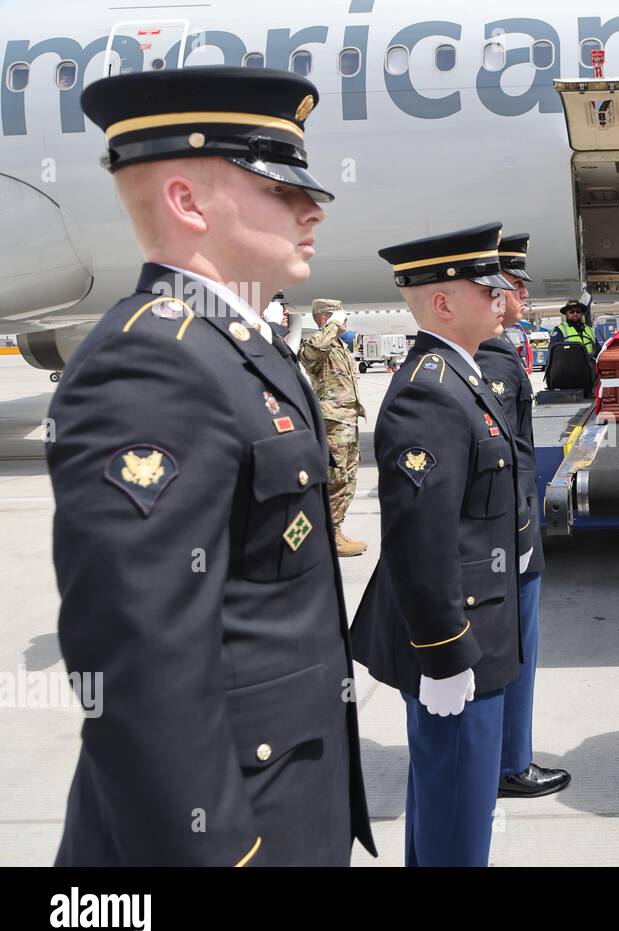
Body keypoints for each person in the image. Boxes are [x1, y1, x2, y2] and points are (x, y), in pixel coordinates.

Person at [48, 66, 375, 865]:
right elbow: (139, 664)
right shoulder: (155, 364)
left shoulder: (243, 346)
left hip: (286, 794)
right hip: (226, 830)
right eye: (278, 187)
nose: (312, 206)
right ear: (188, 203)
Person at [350, 223, 526, 866]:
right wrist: (445, 655)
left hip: (473, 631)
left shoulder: (462, 374)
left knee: (450, 809)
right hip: (456, 643)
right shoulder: (431, 389)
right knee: (456, 818)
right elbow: (418, 538)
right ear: (445, 304)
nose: (502, 296)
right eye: (487, 287)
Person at [477, 233, 571, 799]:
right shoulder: (494, 358)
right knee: (515, 648)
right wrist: (520, 541)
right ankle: (511, 761)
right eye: (515, 286)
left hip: (513, 533)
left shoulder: (499, 352)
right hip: (509, 539)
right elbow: (503, 463)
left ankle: (509, 755)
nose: (522, 296)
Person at [300, 298, 368, 557]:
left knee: (347, 478)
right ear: (323, 318)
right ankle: (327, 535)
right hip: (332, 422)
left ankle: (335, 531)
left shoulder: (339, 346)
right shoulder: (316, 344)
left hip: (347, 420)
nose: (344, 320)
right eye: (337, 316)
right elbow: (313, 352)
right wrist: (331, 325)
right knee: (335, 477)